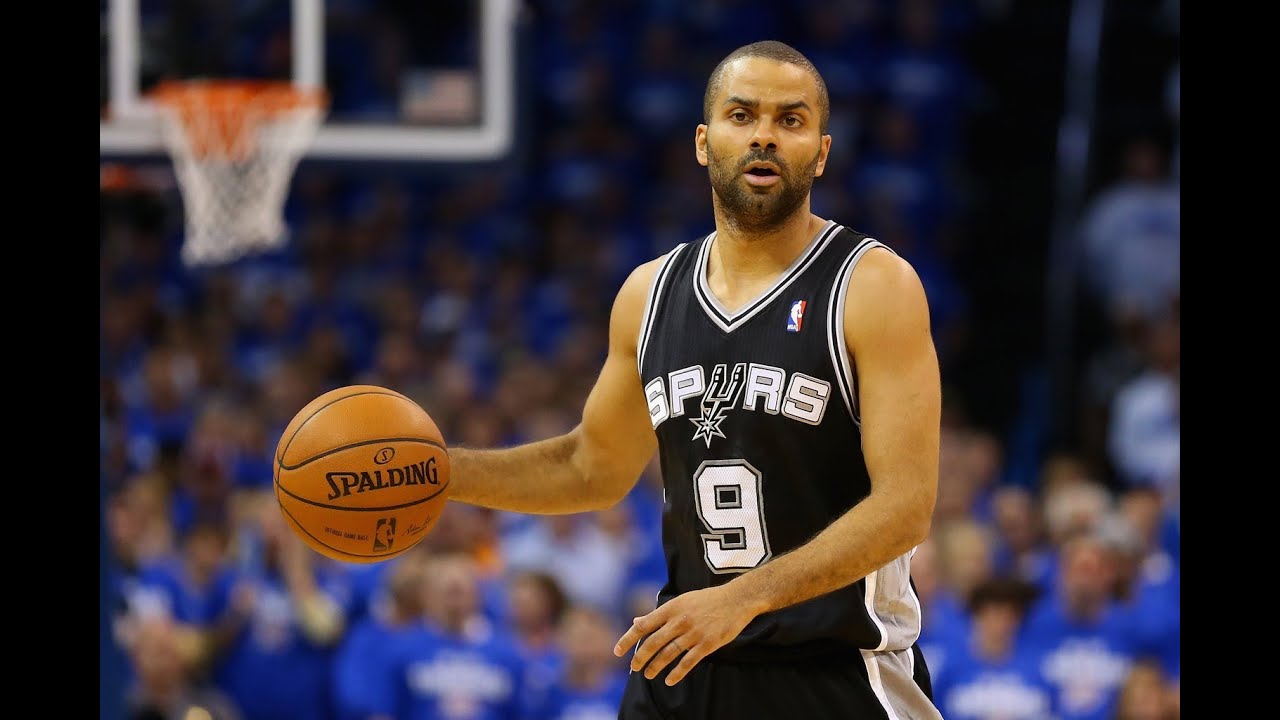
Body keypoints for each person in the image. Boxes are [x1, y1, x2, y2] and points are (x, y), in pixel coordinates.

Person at [442, 40, 942, 719]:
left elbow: (906, 507)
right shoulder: (647, 294)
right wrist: (441, 474)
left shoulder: (872, 286)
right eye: (742, 115)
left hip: (834, 667)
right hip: (685, 661)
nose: (764, 135)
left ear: (822, 153)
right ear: (704, 143)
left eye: (791, 120)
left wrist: (741, 600)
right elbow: (590, 468)